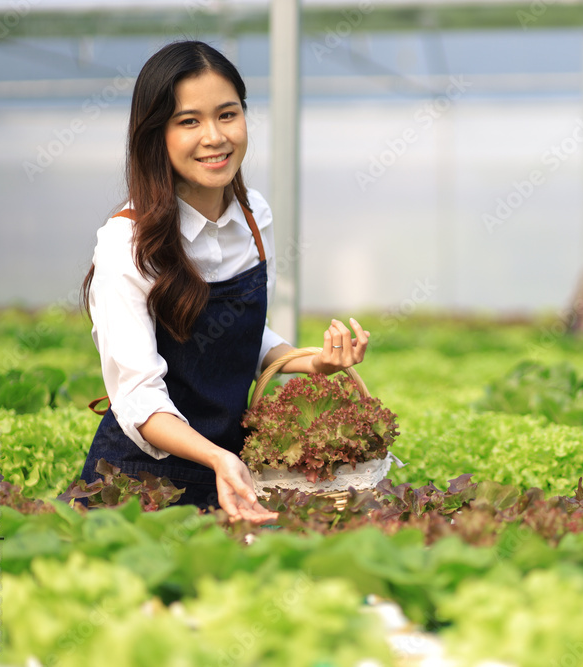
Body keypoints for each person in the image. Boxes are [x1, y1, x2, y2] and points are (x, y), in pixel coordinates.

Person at [78, 41, 368, 524]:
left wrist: (313, 362)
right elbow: (139, 402)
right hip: (138, 488)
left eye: (227, 115)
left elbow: (243, 337)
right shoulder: (127, 244)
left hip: (230, 478)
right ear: (156, 135)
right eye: (189, 121)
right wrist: (215, 456)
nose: (214, 136)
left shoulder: (253, 217)